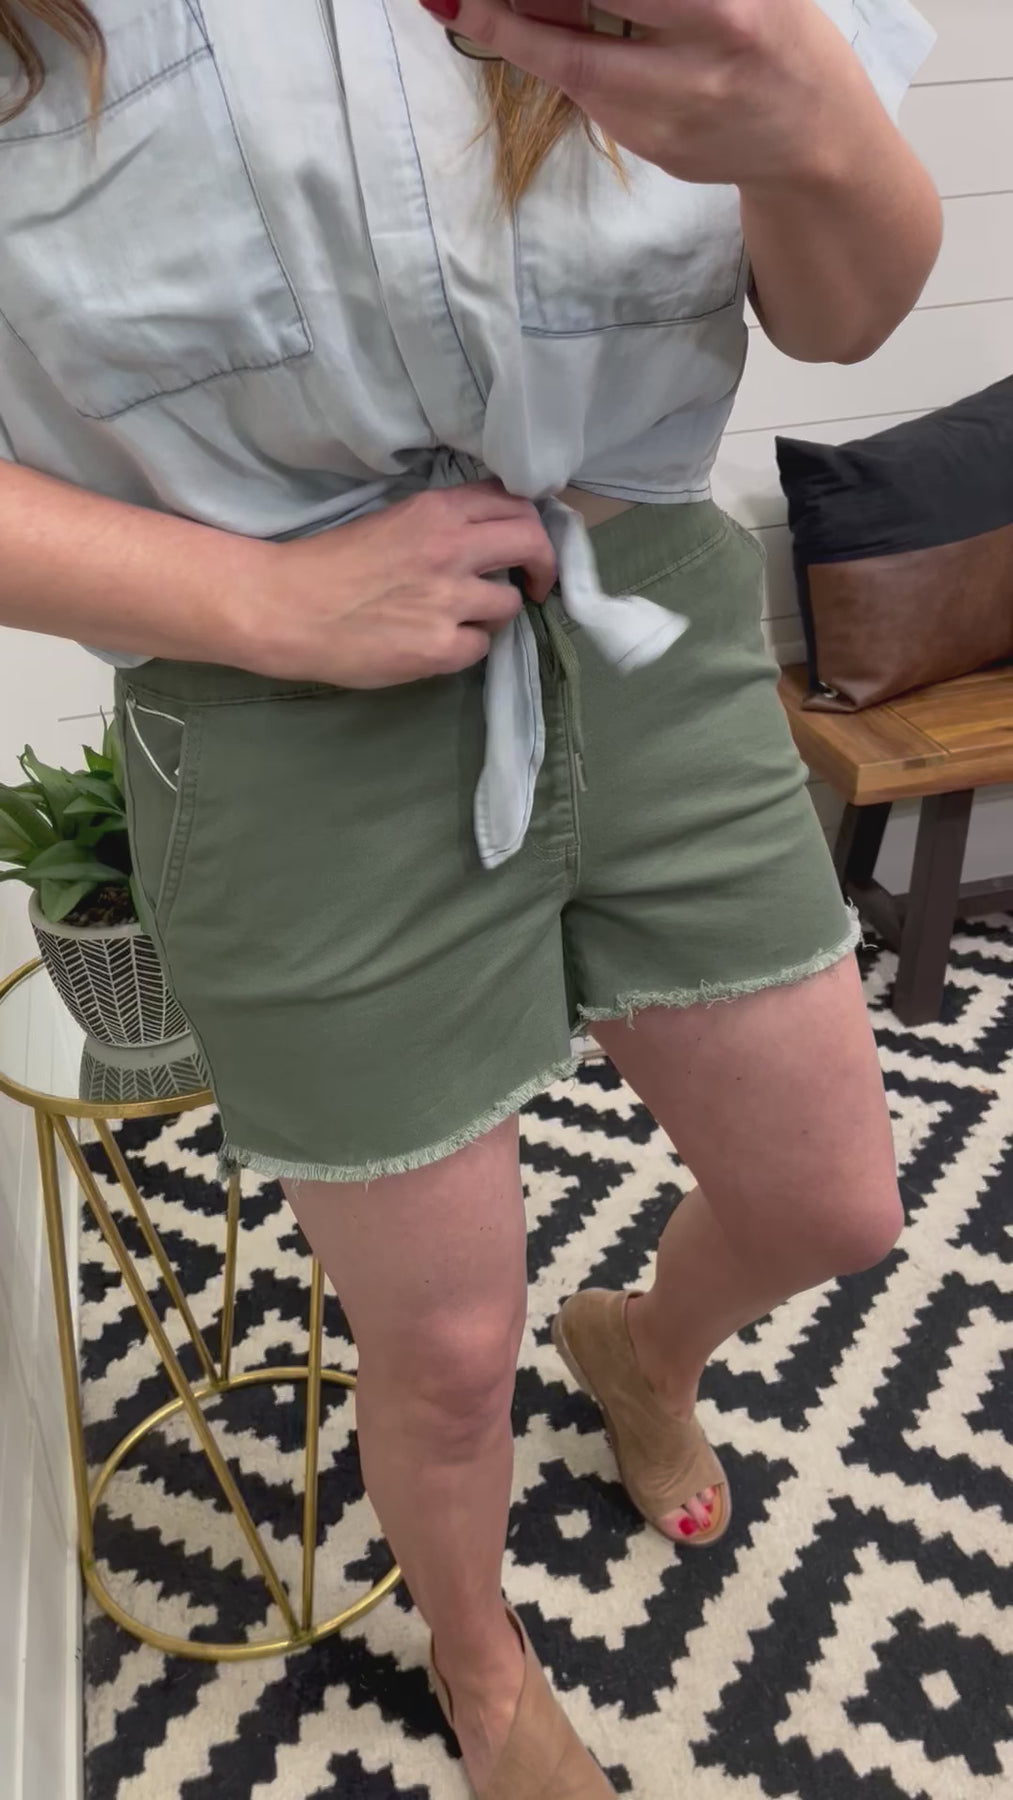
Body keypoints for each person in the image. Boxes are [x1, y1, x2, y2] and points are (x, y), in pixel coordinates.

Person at [0, 0, 941, 1792]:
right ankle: (478, 1654)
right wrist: (258, 604)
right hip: (279, 702)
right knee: (441, 1352)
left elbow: (841, 311)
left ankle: (640, 1350)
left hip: (645, 614)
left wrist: (812, 114)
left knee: (829, 1204)